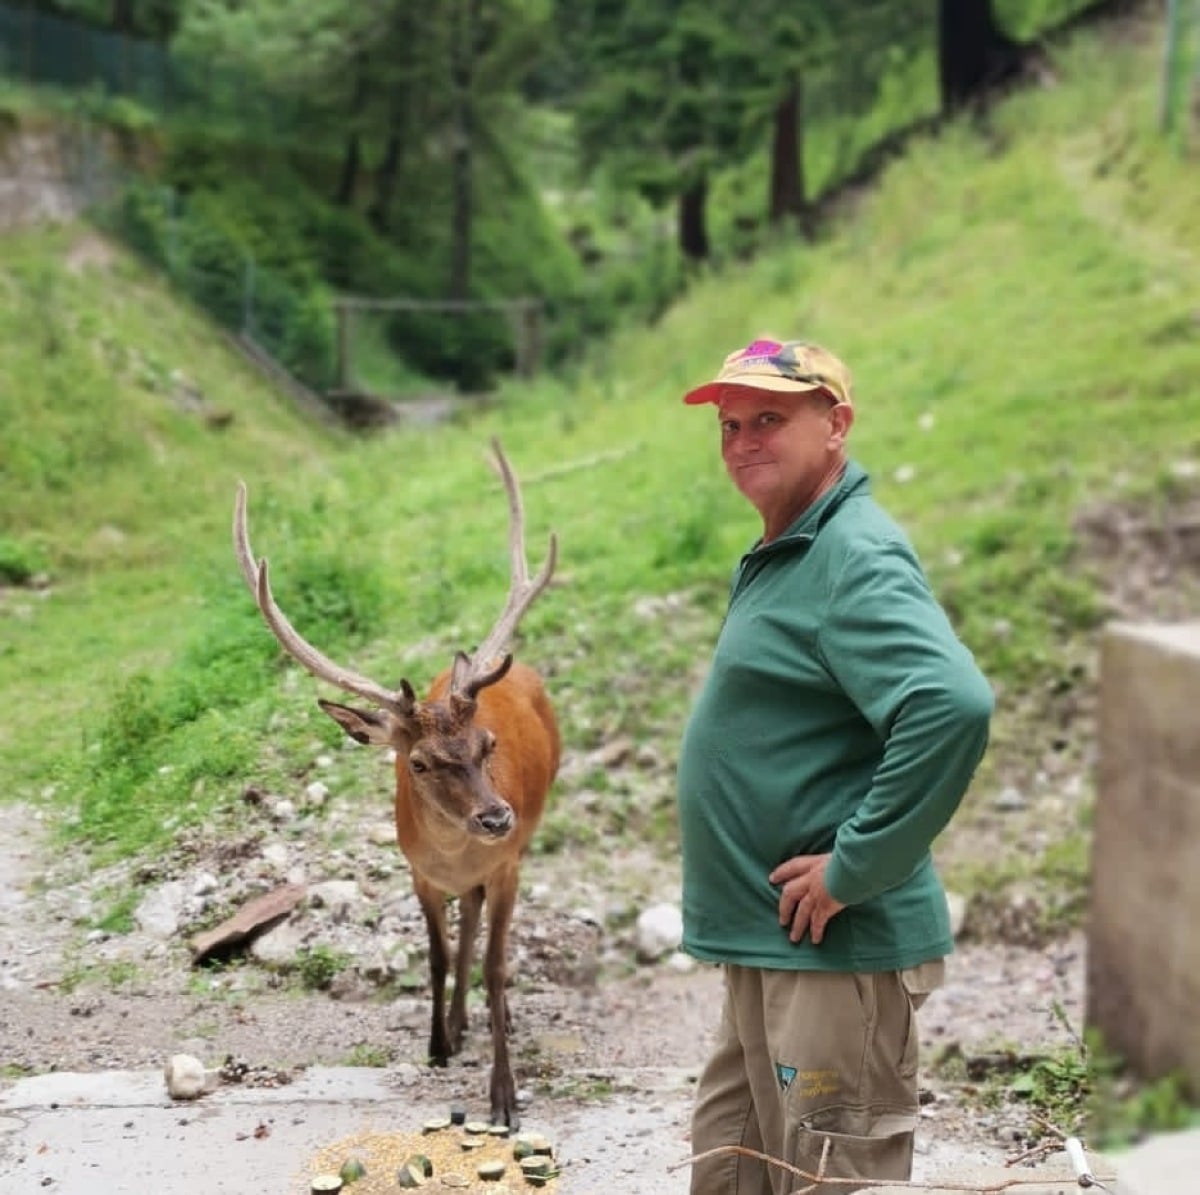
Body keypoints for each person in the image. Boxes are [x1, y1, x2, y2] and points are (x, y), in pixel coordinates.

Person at [676, 337, 995, 1194]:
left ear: (836, 423)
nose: (742, 439)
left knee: (829, 1174)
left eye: (770, 418)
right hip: (769, 946)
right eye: (730, 423)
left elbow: (951, 704)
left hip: (832, 952)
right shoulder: (796, 547)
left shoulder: (852, 553)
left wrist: (855, 866)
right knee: (733, 1165)